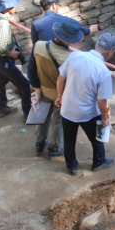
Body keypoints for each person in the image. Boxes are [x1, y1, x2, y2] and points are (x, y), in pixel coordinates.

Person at [55, 33, 115, 176]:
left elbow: (60, 78)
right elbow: (101, 101)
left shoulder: (75, 55)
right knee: (97, 139)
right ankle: (98, 162)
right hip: (87, 113)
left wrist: (60, 97)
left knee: (69, 140)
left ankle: (71, 166)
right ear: (111, 51)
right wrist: (104, 118)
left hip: (67, 109)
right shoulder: (103, 71)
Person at [26, 19, 83, 159]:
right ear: (70, 40)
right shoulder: (70, 58)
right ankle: (54, 147)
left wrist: (37, 91)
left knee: (42, 118)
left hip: (43, 91)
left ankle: (39, 144)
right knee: (57, 122)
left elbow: (31, 69)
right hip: (60, 95)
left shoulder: (38, 46)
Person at [0, 0, 32, 120]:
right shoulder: (2, 23)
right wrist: (11, 53)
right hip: (3, 60)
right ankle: (28, 114)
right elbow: (1, 48)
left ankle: (2, 108)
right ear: (9, 7)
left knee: (0, 82)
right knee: (24, 84)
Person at [31, 0, 99, 44]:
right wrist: (90, 30)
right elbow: (76, 29)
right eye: (58, 5)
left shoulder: (35, 24)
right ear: (54, 5)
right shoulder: (64, 20)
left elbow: (35, 45)